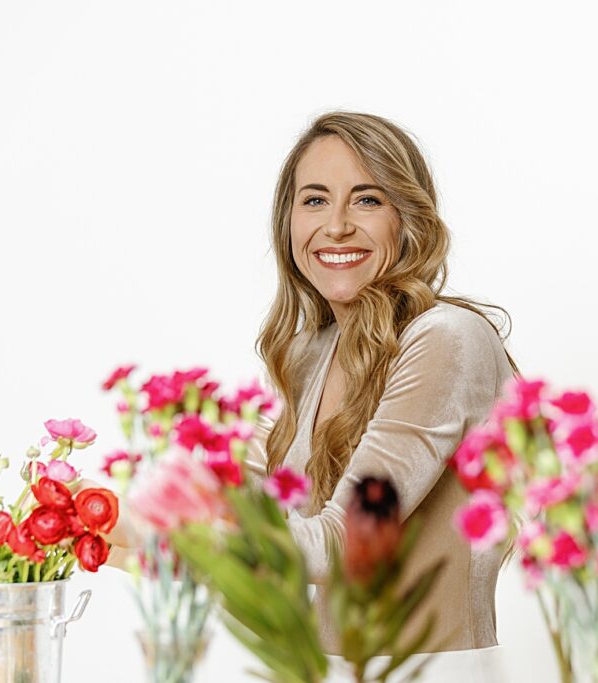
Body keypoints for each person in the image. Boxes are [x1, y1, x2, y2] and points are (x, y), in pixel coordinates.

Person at [244, 111, 519, 682]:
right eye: (315, 200)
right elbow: (251, 516)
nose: (337, 225)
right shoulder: (307, 355)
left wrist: (186, 525)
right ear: (288, 222)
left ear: (407, 218)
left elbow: (344, 546)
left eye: (367, 200)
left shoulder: (447, 340)